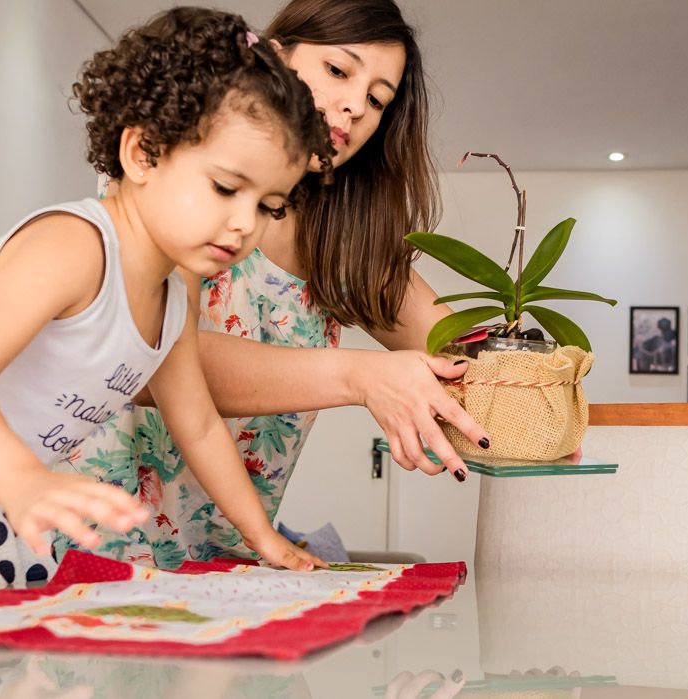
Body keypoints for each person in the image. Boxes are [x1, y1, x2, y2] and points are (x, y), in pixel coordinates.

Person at [0, 6, 331, 603]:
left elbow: (201, 424)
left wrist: (261, 535)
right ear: (144, 154)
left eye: (269, 206)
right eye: (225, 188)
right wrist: (24, 481)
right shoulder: (78, 247)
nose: (243, 224)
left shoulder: (172, 297)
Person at [75, 0, 491, 566]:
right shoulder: (176, 176)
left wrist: (540, 393)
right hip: (89, 529)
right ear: (274, 56)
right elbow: (153, 360)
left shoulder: (348, 240)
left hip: (225, 557)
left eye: (377, 100)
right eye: (339, 71)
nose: (353, 108)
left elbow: (468, 357)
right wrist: (361, 375)